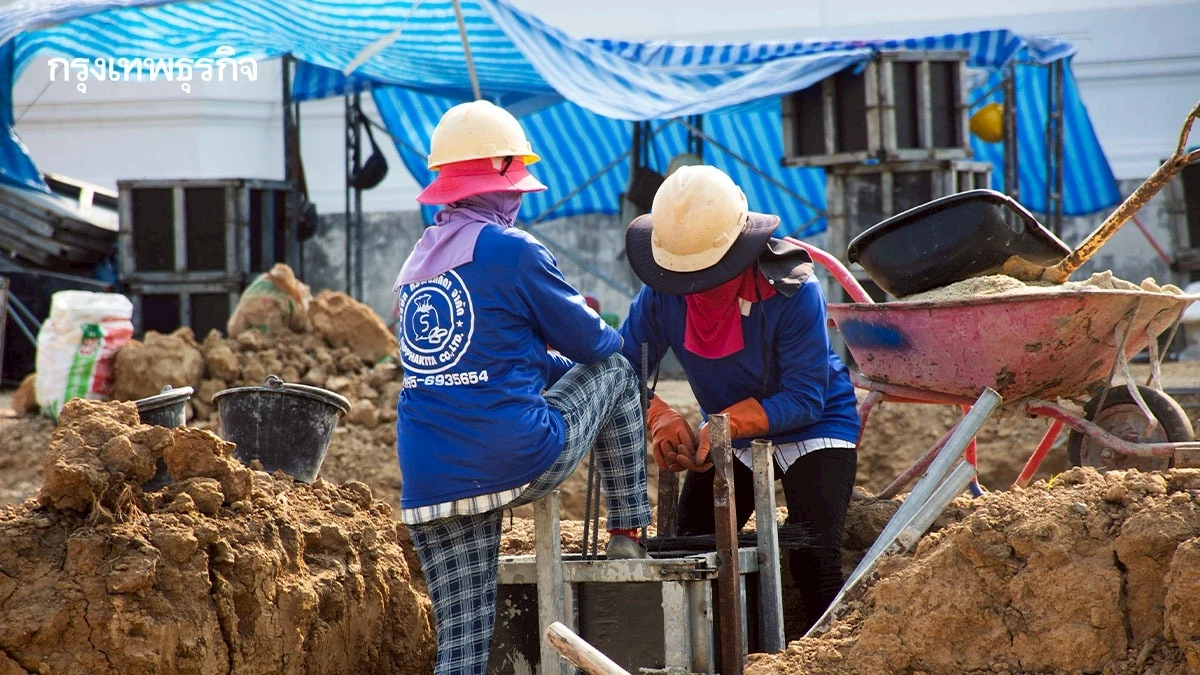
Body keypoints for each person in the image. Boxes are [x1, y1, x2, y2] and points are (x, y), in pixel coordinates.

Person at [394, 100, 652, 675]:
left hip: (429, 479)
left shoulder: (418, 262)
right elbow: (594, 346)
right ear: (500, 184)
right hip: (512, 456)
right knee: (618, 372)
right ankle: (628, 528)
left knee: (461, 653)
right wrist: (609, 334)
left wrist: (545, 357)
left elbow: (495, 358)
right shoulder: (514, 250)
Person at [618, 164, 860, 634]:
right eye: (683, 275)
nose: (693, 286)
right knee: (692, 547)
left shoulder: (792, 290)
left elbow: (806, 397)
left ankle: (828, 654)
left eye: (705, 273)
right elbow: (621, 370)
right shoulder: (661, 294)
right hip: (728, 430)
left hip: (815, 424)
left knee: (813, 558)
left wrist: (728, 424)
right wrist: (657, 414)